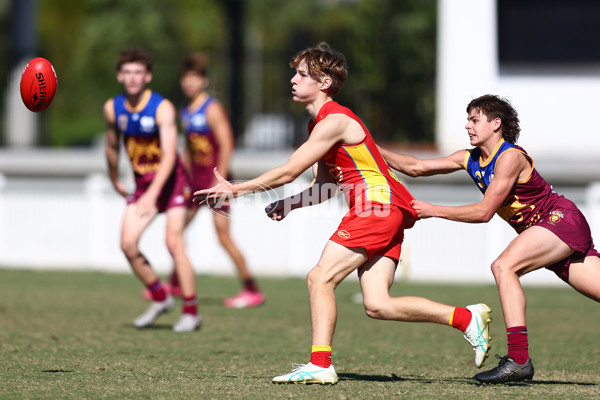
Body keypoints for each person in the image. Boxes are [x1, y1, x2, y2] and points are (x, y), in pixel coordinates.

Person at [195, 43, 492, 384]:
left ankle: (320, 364)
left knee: (319, 277)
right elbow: (326, 184)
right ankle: (465, 318)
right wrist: (288, 205)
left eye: (302, 74)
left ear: (324, 83)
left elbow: (290, 170)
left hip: (375, 208)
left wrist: (236, 188)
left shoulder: (334, 120)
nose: (293, 79)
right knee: (378, 304)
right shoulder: (321, 126)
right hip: (386, 209)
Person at [379, 94, 600, 384]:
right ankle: (519, 361)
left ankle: (519, 360)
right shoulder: (468, 158)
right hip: (547, 231)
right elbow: (415, 168)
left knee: (503, 266)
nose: (468, 126)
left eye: (475, 120)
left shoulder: (510, 157)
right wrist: (367, 146)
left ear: (496, 124)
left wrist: (433, 209)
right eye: (468, 120)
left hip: (560, 221)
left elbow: (484, 212)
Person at [143, 53, 264, 308]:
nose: (189, 83)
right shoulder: (185, 111)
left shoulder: (212, 108)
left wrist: (218, 180)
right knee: (176, 230)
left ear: (204, 81)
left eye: (195, 78)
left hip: (215, 182)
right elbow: (188, 148)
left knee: (223, 237)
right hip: (194, 183)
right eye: (186, 78)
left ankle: (251, 289)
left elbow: (227, 144)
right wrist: (182, 176)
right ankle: (175, 284)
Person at [104, 47, 201, 332]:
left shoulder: (162, 107)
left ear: (148, 76)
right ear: (120, 76)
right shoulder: (113, 108)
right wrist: (113, 176)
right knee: (128, 245)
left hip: (172, 185)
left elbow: (171, 155)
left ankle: (191, 312)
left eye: (138, 72)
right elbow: (111, 145)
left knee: (174, 244)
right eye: (127, 72)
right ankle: (160, 298)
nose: (133, 78)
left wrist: (152, 192)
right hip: (143, 185)